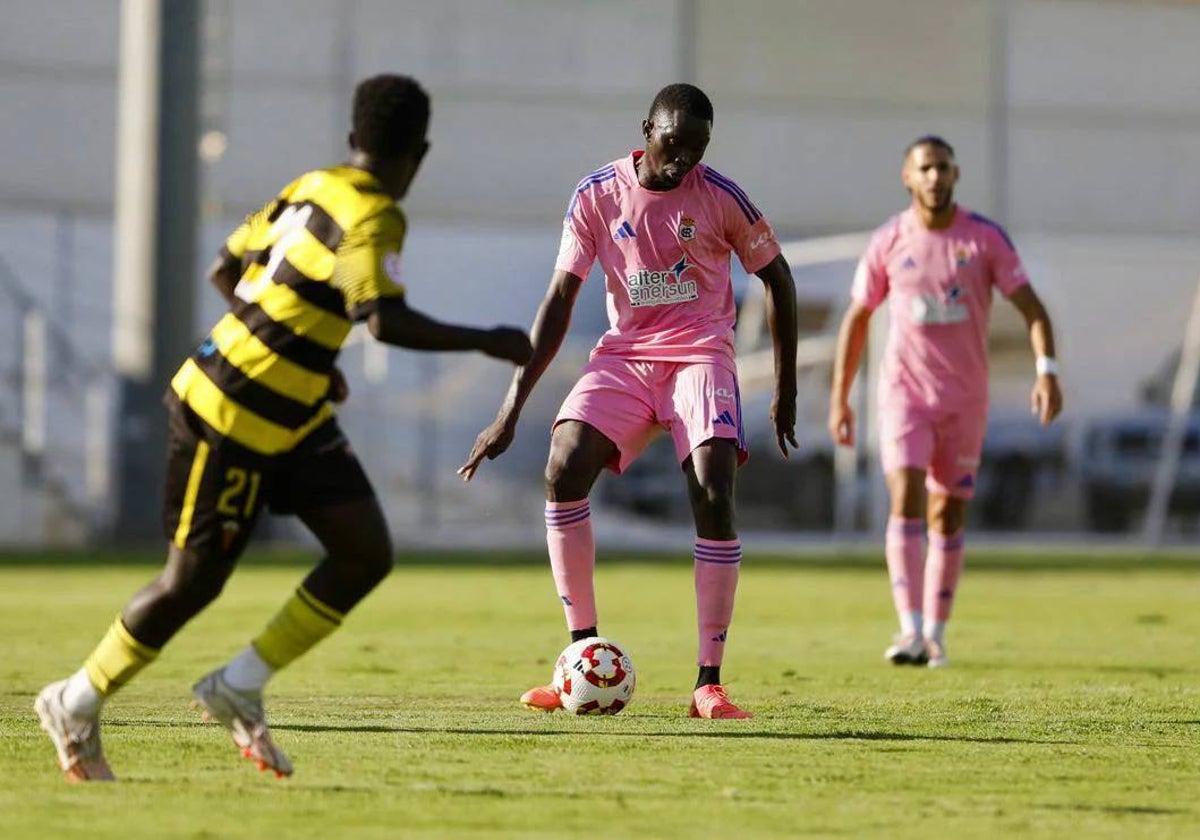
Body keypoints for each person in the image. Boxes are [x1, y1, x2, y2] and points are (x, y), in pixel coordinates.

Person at [34, 74, 533, 782]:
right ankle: (74, 700)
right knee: (191, 582)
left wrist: (303, 355)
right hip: (230, 410)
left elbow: (225, 268)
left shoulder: (315, 185)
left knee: (364, 551)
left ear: (354, 139)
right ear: (419, 154)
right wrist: (489, 338)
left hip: (290, 412)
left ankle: (238, 683)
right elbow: (382, 318)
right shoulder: (375, 214)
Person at [459, 83, 798, 719]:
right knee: (562, 467)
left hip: (701, 356)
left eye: (697, 149)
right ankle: (581, 659)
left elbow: (778, 278)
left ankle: (707, 683)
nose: (683, 161)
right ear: (646, 129)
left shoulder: (721, 197)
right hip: (626, 358)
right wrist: (510, 409)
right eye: (674, 144)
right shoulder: (595, 194)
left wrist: (784, 390)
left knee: (714, 490)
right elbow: (559, 299)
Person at [828, 135, 1062, 668]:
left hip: (964, 400)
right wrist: (842, 398)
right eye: (924, 168)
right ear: (907, 177)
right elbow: (858, 318)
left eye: (943, 168)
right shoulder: (889, 240)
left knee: (948, 511)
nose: (934, 177)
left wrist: (1046, 371)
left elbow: (1033, 309)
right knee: (905, 493)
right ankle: (907, 630)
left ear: (956, 175)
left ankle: (935, 634)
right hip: (903, 396)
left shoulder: (983, 240)